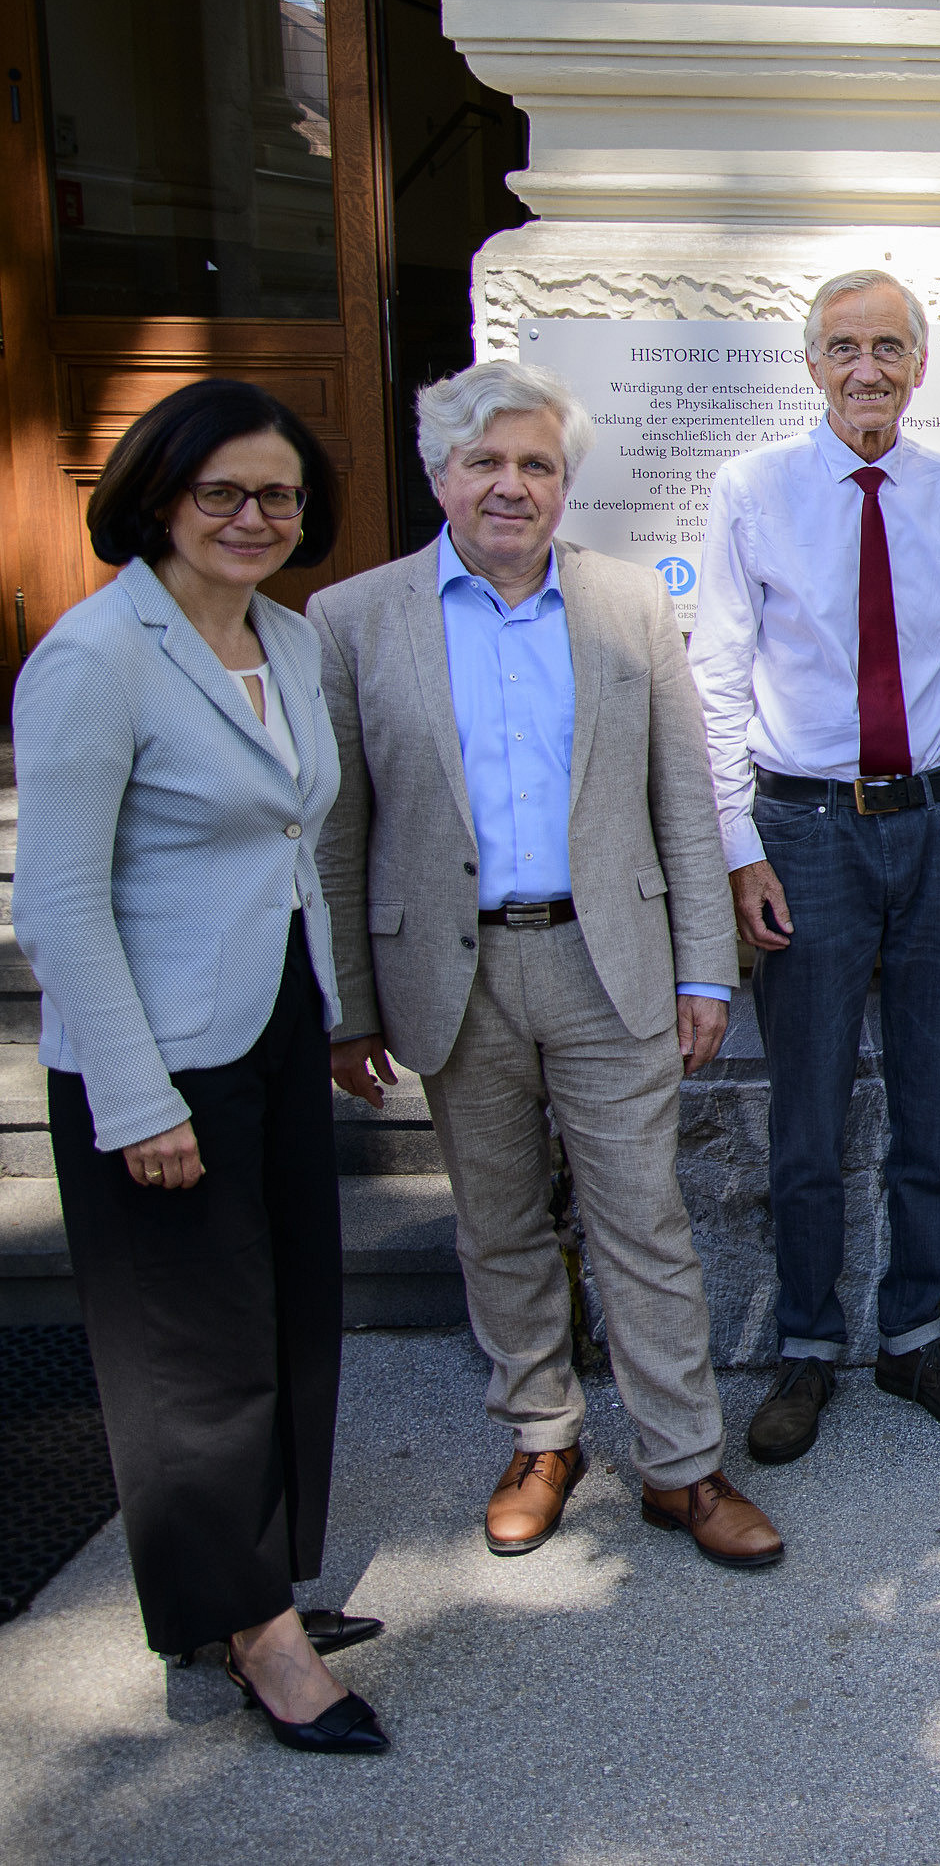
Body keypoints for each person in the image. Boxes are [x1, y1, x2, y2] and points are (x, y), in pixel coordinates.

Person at [314, 361, 781, 1572]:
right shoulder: (355, 619)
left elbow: (681, 798)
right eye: (486, 463)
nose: (510, 486)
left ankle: (682, 1465)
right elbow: (341, 829)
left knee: (645, 1220)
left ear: (564, 483)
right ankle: (539, 1433)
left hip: (605, 962)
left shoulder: (626, 604)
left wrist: (705, 971)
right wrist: (349, 1007)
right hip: (453, 975)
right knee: (499, 1221)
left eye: (536, 465)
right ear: (440, 476)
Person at [13, 380, 387, 1754]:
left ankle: (248, 1586)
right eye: (222, 490)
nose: (251, 516)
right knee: (196, 1353)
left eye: (277, 495)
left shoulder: (284, 640)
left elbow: (288, 847)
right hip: (158, 1052)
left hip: (274, 1022)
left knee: (287, 1311)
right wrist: (134, 1092)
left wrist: (333, 1014)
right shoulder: (96, 655)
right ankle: (257, 1639)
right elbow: (56, 903)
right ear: (160, 495)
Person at [693, 269, 940, 1460]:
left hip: (935, 824)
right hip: (807, 831)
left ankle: (917, 1334)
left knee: (931, 1093)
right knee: (807, 1108)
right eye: (843, 347)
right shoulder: (753, 491)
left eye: (887, 346)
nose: (866, 367)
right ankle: (808, 1347)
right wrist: (737, 851)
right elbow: (717, 679)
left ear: (919, 365)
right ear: (812, 363)